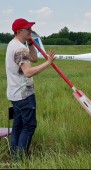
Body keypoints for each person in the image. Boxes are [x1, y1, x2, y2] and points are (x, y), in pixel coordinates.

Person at [5, 18, 55, 159]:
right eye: (28, 29)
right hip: (23, 94)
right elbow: (28, 72)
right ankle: (21, 158)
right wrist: (49, 63)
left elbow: (34, 59)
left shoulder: (14, 44)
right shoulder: (19, 49)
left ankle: (15, 156)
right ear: (19, 31)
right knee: (29, 126)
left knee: (18, 127)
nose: (31, 31)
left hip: (14, 94)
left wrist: (31, 43)